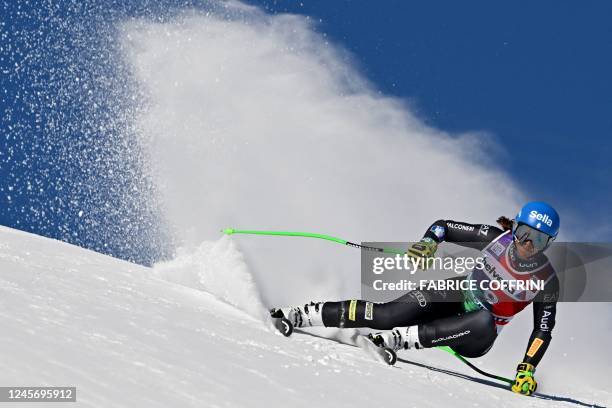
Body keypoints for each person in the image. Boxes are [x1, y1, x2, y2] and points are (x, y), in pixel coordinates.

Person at [274, 201, 560, 396]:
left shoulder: (545, 279)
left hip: (476, 335)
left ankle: (398, 340)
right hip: (457, 294)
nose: (527, 245)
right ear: (514, 228)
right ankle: (300, 314)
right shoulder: (494, 238)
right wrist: (428, 243)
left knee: (484, 318)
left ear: (549, 245)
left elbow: (543, 329)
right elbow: (443, 226)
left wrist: (527, 369)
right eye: (524, 234)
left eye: (539, 240)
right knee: (387, 315)